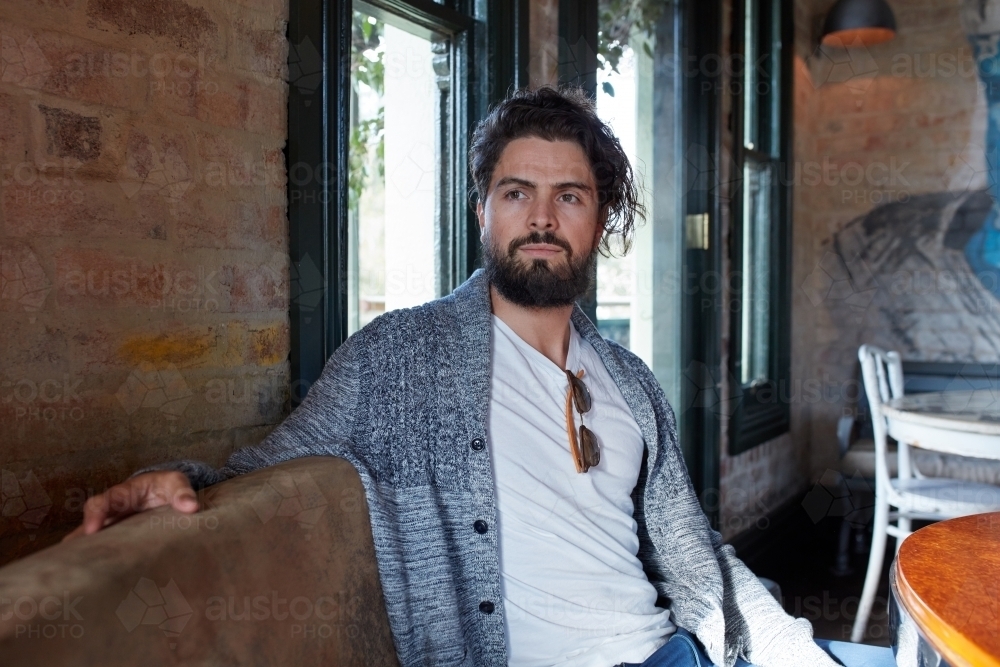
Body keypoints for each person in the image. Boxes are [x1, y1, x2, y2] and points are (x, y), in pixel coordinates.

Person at [65, 87, 891, 667]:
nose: (541, 217)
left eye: (569, 196)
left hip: (675, 651)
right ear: (481, 210)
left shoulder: (631, 381)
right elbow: (264, 466)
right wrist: (168, 481)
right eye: (516, 192)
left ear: (600, 219)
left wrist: (792, 651)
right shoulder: (399, 356)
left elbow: (692, 558)